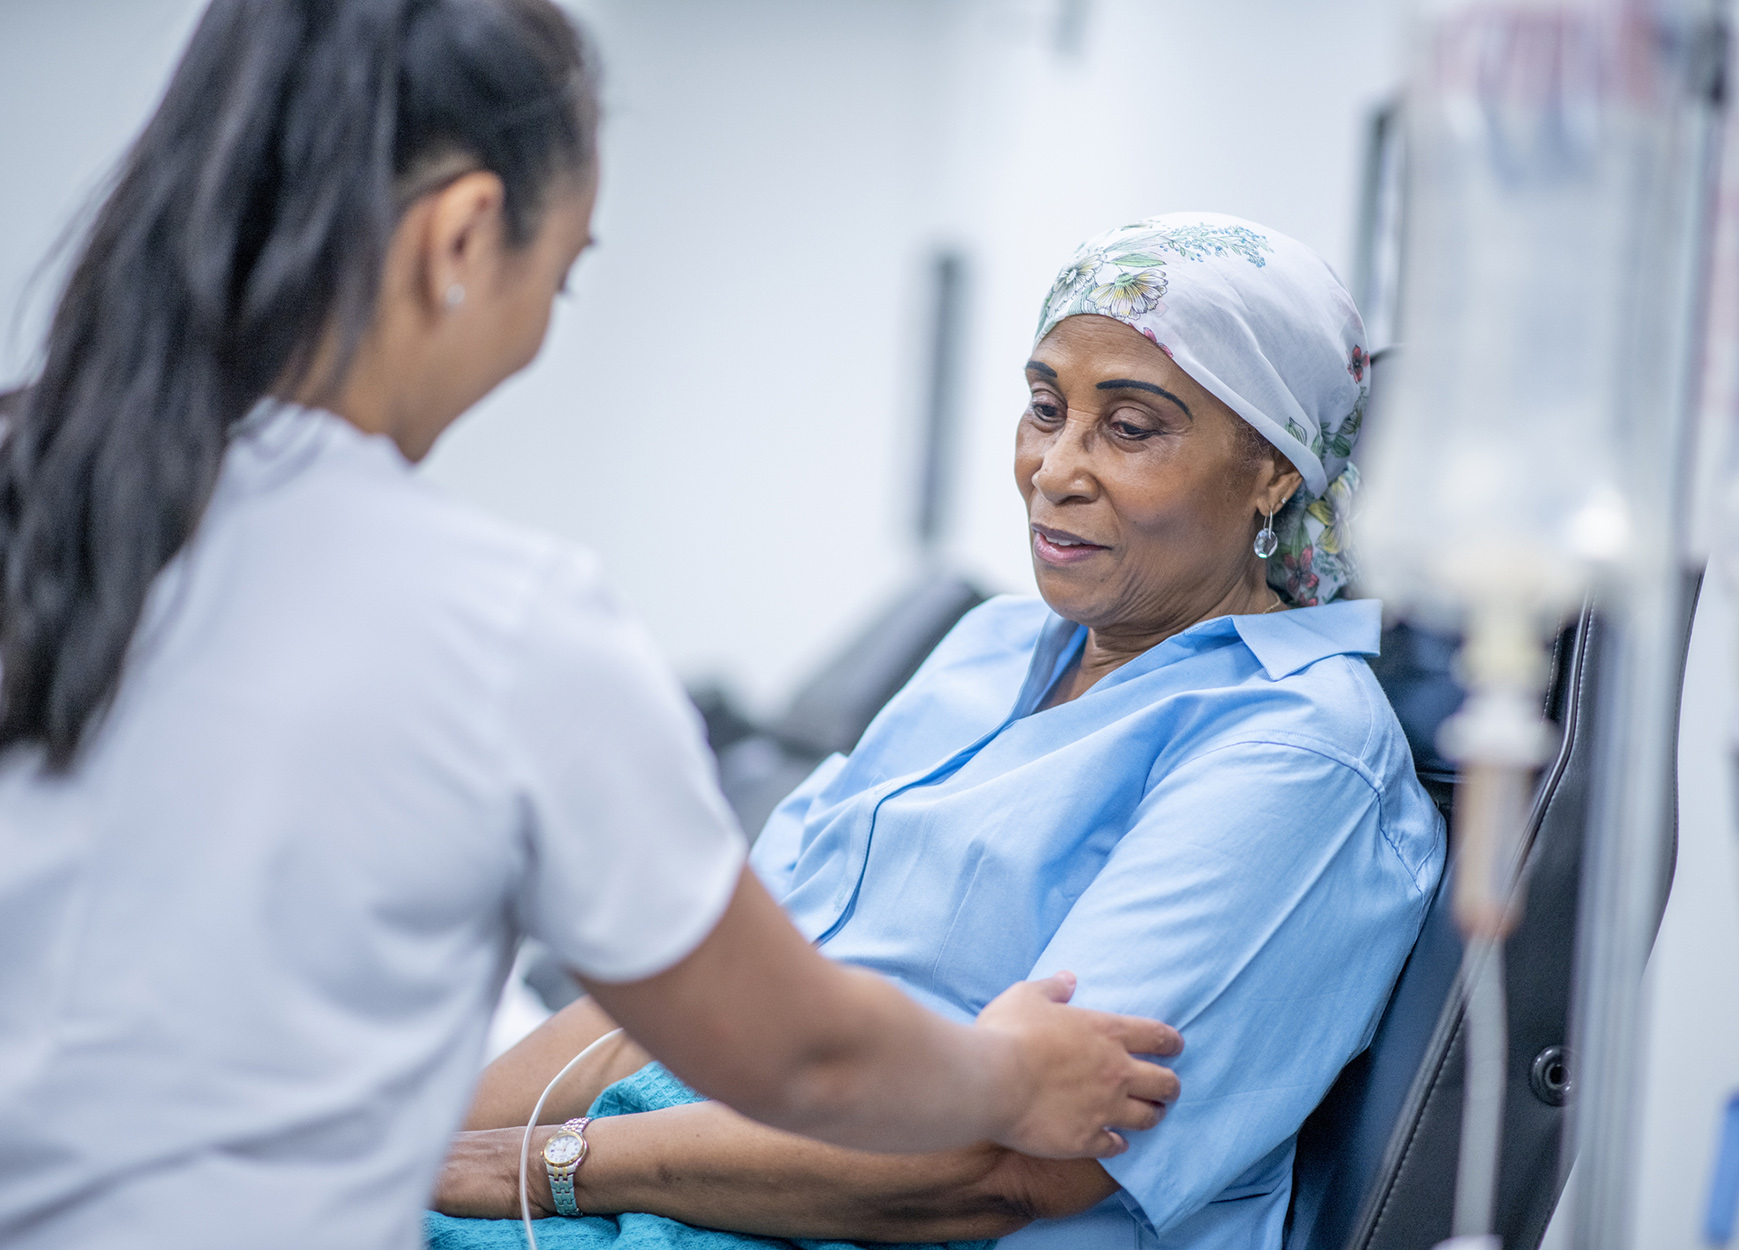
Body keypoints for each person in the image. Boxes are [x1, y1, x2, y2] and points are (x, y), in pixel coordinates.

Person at [0, 5, 1186, 1248]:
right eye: (559, 274)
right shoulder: (500, 627)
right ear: (462, 237)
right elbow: (802, 1051)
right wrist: (1013, 1073)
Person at [428, 214, 1445, 1250]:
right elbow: (712, 983)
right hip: (670, 1173)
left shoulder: (1294, 751)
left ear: (1274, 471)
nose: (1057, 467)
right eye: (1045, 408)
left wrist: (540, 1164)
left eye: (1130, 427)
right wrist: (413, 1151)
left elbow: (1007, 1169)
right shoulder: (993, 645)